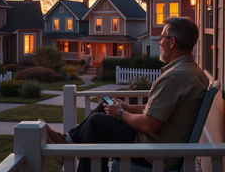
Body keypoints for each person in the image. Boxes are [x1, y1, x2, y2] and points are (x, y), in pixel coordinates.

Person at [46, 17, 209, 171]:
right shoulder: (191, 71)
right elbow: (158, 111)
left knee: (97, 123)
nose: (159, 43)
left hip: (155, 153)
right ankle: (68, 141)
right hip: (160, 144)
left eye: (161, 38)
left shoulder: (174, 77)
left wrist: (121, 113)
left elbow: (148, 124)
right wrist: (128, 107)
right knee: (105, 107)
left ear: (172, 42)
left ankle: (68, 145)